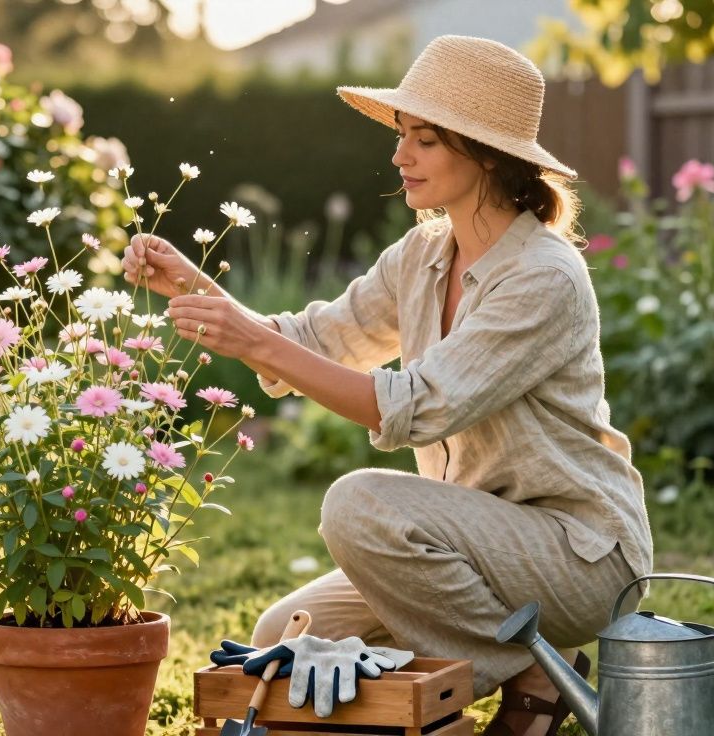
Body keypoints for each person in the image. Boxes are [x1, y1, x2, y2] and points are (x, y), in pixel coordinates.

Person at [121, 35, 653, 736]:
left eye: (424, 140)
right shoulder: (424, 253)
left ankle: (521, 676)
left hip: (576, 558)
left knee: (360, 503)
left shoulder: (543, 277)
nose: (399, 155)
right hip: (470, 553)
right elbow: (313, 341)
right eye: (403, 135)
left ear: (488, 153)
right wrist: (195, 284)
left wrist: (248, 338)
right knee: (283, 630)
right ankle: (486, 684)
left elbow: (415, 408)